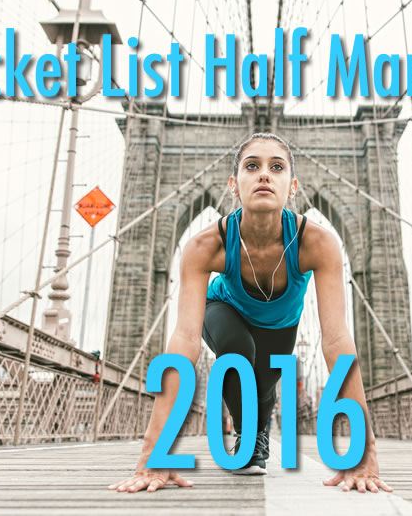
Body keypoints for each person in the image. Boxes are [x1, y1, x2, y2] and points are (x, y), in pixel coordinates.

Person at [108, 133, 392, 494]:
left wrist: (364, 454)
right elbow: (183, 342)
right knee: (238, 350)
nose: (264, 175)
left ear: (293, 187)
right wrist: (154, 453)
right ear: (233, 185)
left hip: (280, 325)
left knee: (263, 386)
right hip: (223, 309)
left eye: (277, 167)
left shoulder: (317, 243)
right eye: (251, 166)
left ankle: (258, 425)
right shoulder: (205, 245)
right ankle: (248, 436)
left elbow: (336, 340)